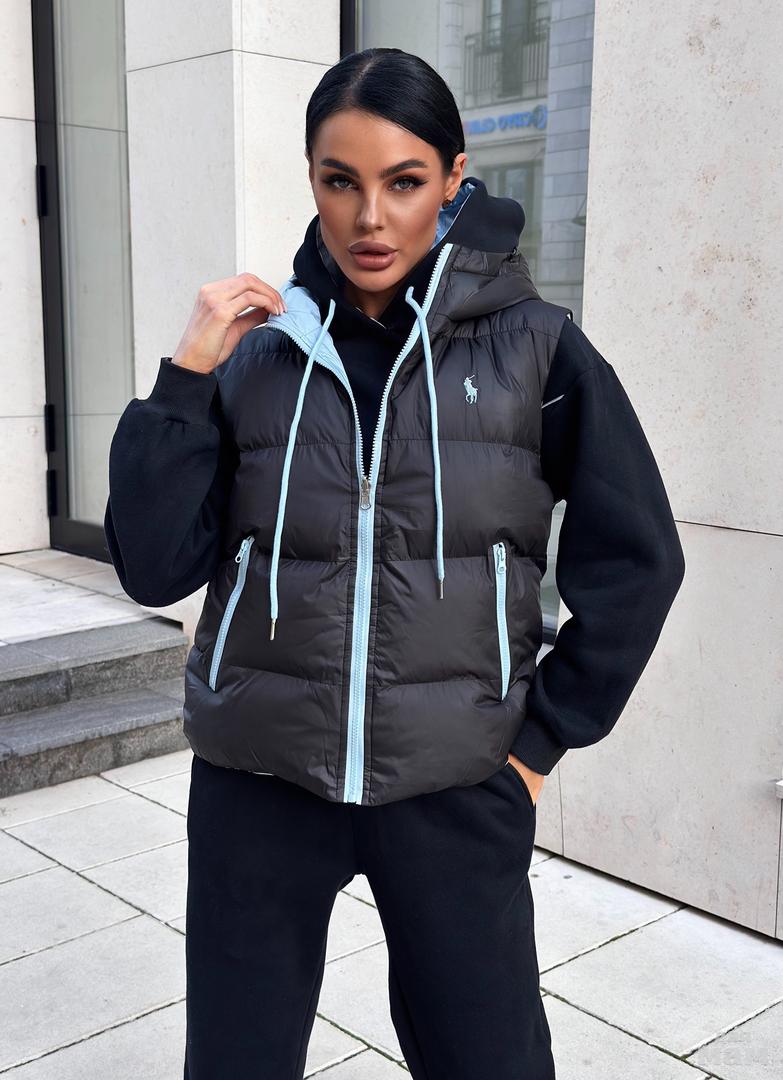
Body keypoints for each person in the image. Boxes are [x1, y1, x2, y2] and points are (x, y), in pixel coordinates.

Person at [104, 47, 685, 1080]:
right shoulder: (258, 354)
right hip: (259, 780)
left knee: (490, 1059)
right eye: (341, 181)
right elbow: (153, 567)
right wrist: (185, 377)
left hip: (455, 784)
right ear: (312, 180)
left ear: (454, 179)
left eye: (404, 181)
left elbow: (638, 558)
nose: (370, 218)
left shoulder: (537, 350)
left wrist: (539, 741)